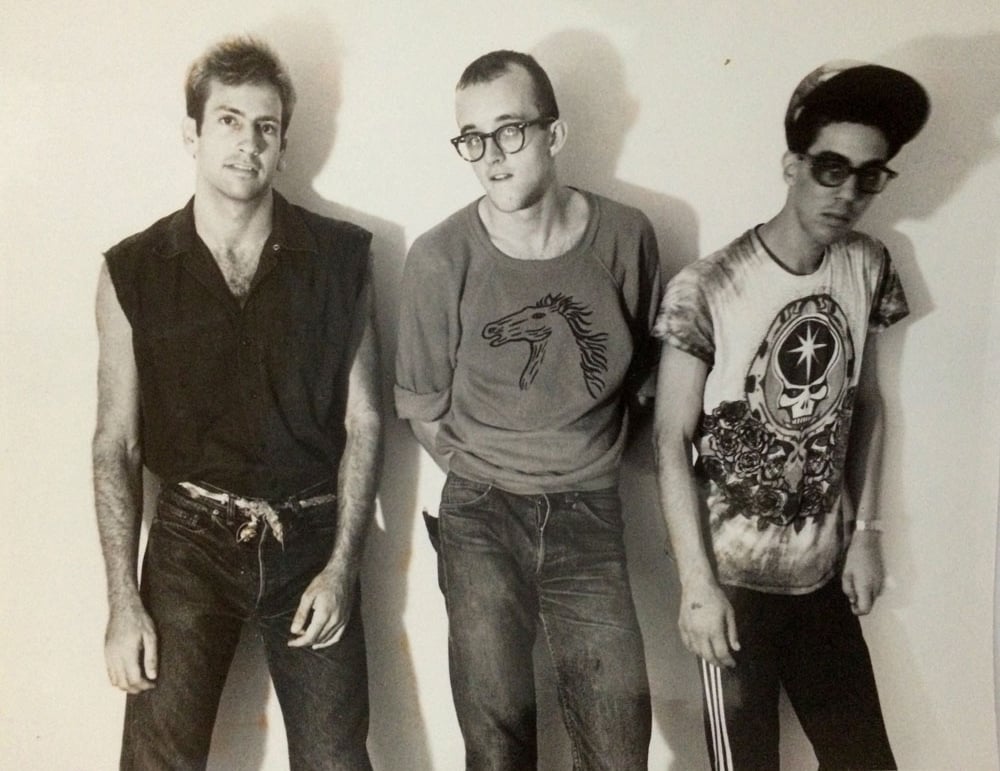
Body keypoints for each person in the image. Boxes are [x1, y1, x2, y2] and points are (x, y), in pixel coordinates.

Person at [93, 36, 380, 770]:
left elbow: (363, 419)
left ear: (283, 144)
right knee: (156, 759)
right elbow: (116, 444)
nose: (247, 143)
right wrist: (124, 601)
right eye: (228, 120)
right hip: (188, 541)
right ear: (192, 132)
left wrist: (343, 566)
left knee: (337, 760)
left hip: (311, 535)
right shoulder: (132, 271)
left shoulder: (342, 258)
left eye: (266, 126)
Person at [653, 61, 929, 770]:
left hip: (821, 578)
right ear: (792, 164)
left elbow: (866, 402)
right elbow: (669, 439)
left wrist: (865, 533)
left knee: (865, 759)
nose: (848, 193)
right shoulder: (708, 286)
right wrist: (696, 587)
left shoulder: (869, 264)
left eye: (869, 176)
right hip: (733, 589)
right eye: (830, 168)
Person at [394, 50, 659, 770]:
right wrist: (484, 471)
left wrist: (579, 459)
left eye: (509, 131)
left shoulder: (626, 237)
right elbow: (421, 403)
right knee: (497, 740)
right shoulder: (440, 257)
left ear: (555, 134)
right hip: (480, 512)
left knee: (617, 741)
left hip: (590, 508)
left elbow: (641, 379)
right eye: (472, 139)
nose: (491, 157)